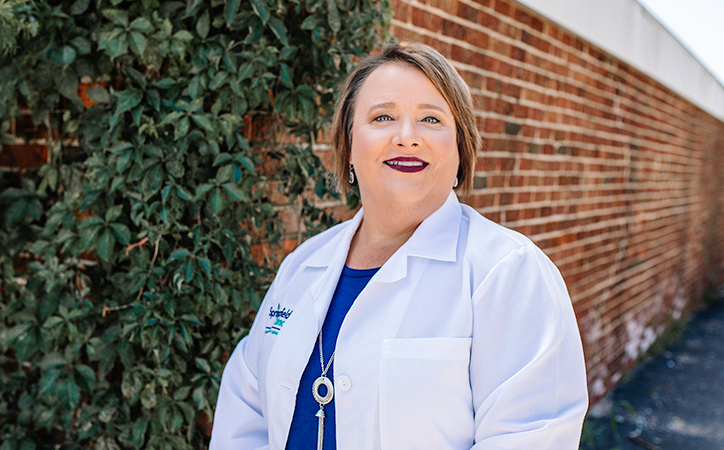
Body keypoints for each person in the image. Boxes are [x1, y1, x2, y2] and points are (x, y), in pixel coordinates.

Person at [210, 42, 588, 450]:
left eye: (431, 118)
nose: (407, 137)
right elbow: (245, 411)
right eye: (383, 116)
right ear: (349, 146)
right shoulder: (303, 264)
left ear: (460, 151)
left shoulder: (509, 272)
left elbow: (530, 438)